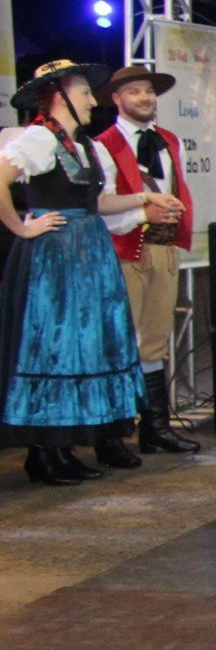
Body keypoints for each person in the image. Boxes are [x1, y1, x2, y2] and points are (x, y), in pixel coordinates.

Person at [0, 60, 157, 485]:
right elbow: (1, 178)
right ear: (59, 95)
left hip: (88, 251)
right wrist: (22, 226)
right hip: (55, 255)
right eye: (85, 91)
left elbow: (97, 205)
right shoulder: (37, 137)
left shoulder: (83, 145)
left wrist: (143, 200)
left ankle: (65, 446)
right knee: (54, 344)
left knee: (88, 344)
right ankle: (45, 450)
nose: (92, 99)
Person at [93, 64, 201, 455]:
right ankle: (111, 433)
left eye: (149, 92)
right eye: (135, 92)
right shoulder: (103, 145)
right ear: (117, 99)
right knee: (119, 339)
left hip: (162, 248)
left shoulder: (169, 140)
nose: (145, 98)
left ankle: (154, 427)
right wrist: (142, 214)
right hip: (124, 250)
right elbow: (98, 205)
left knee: (154, 340)